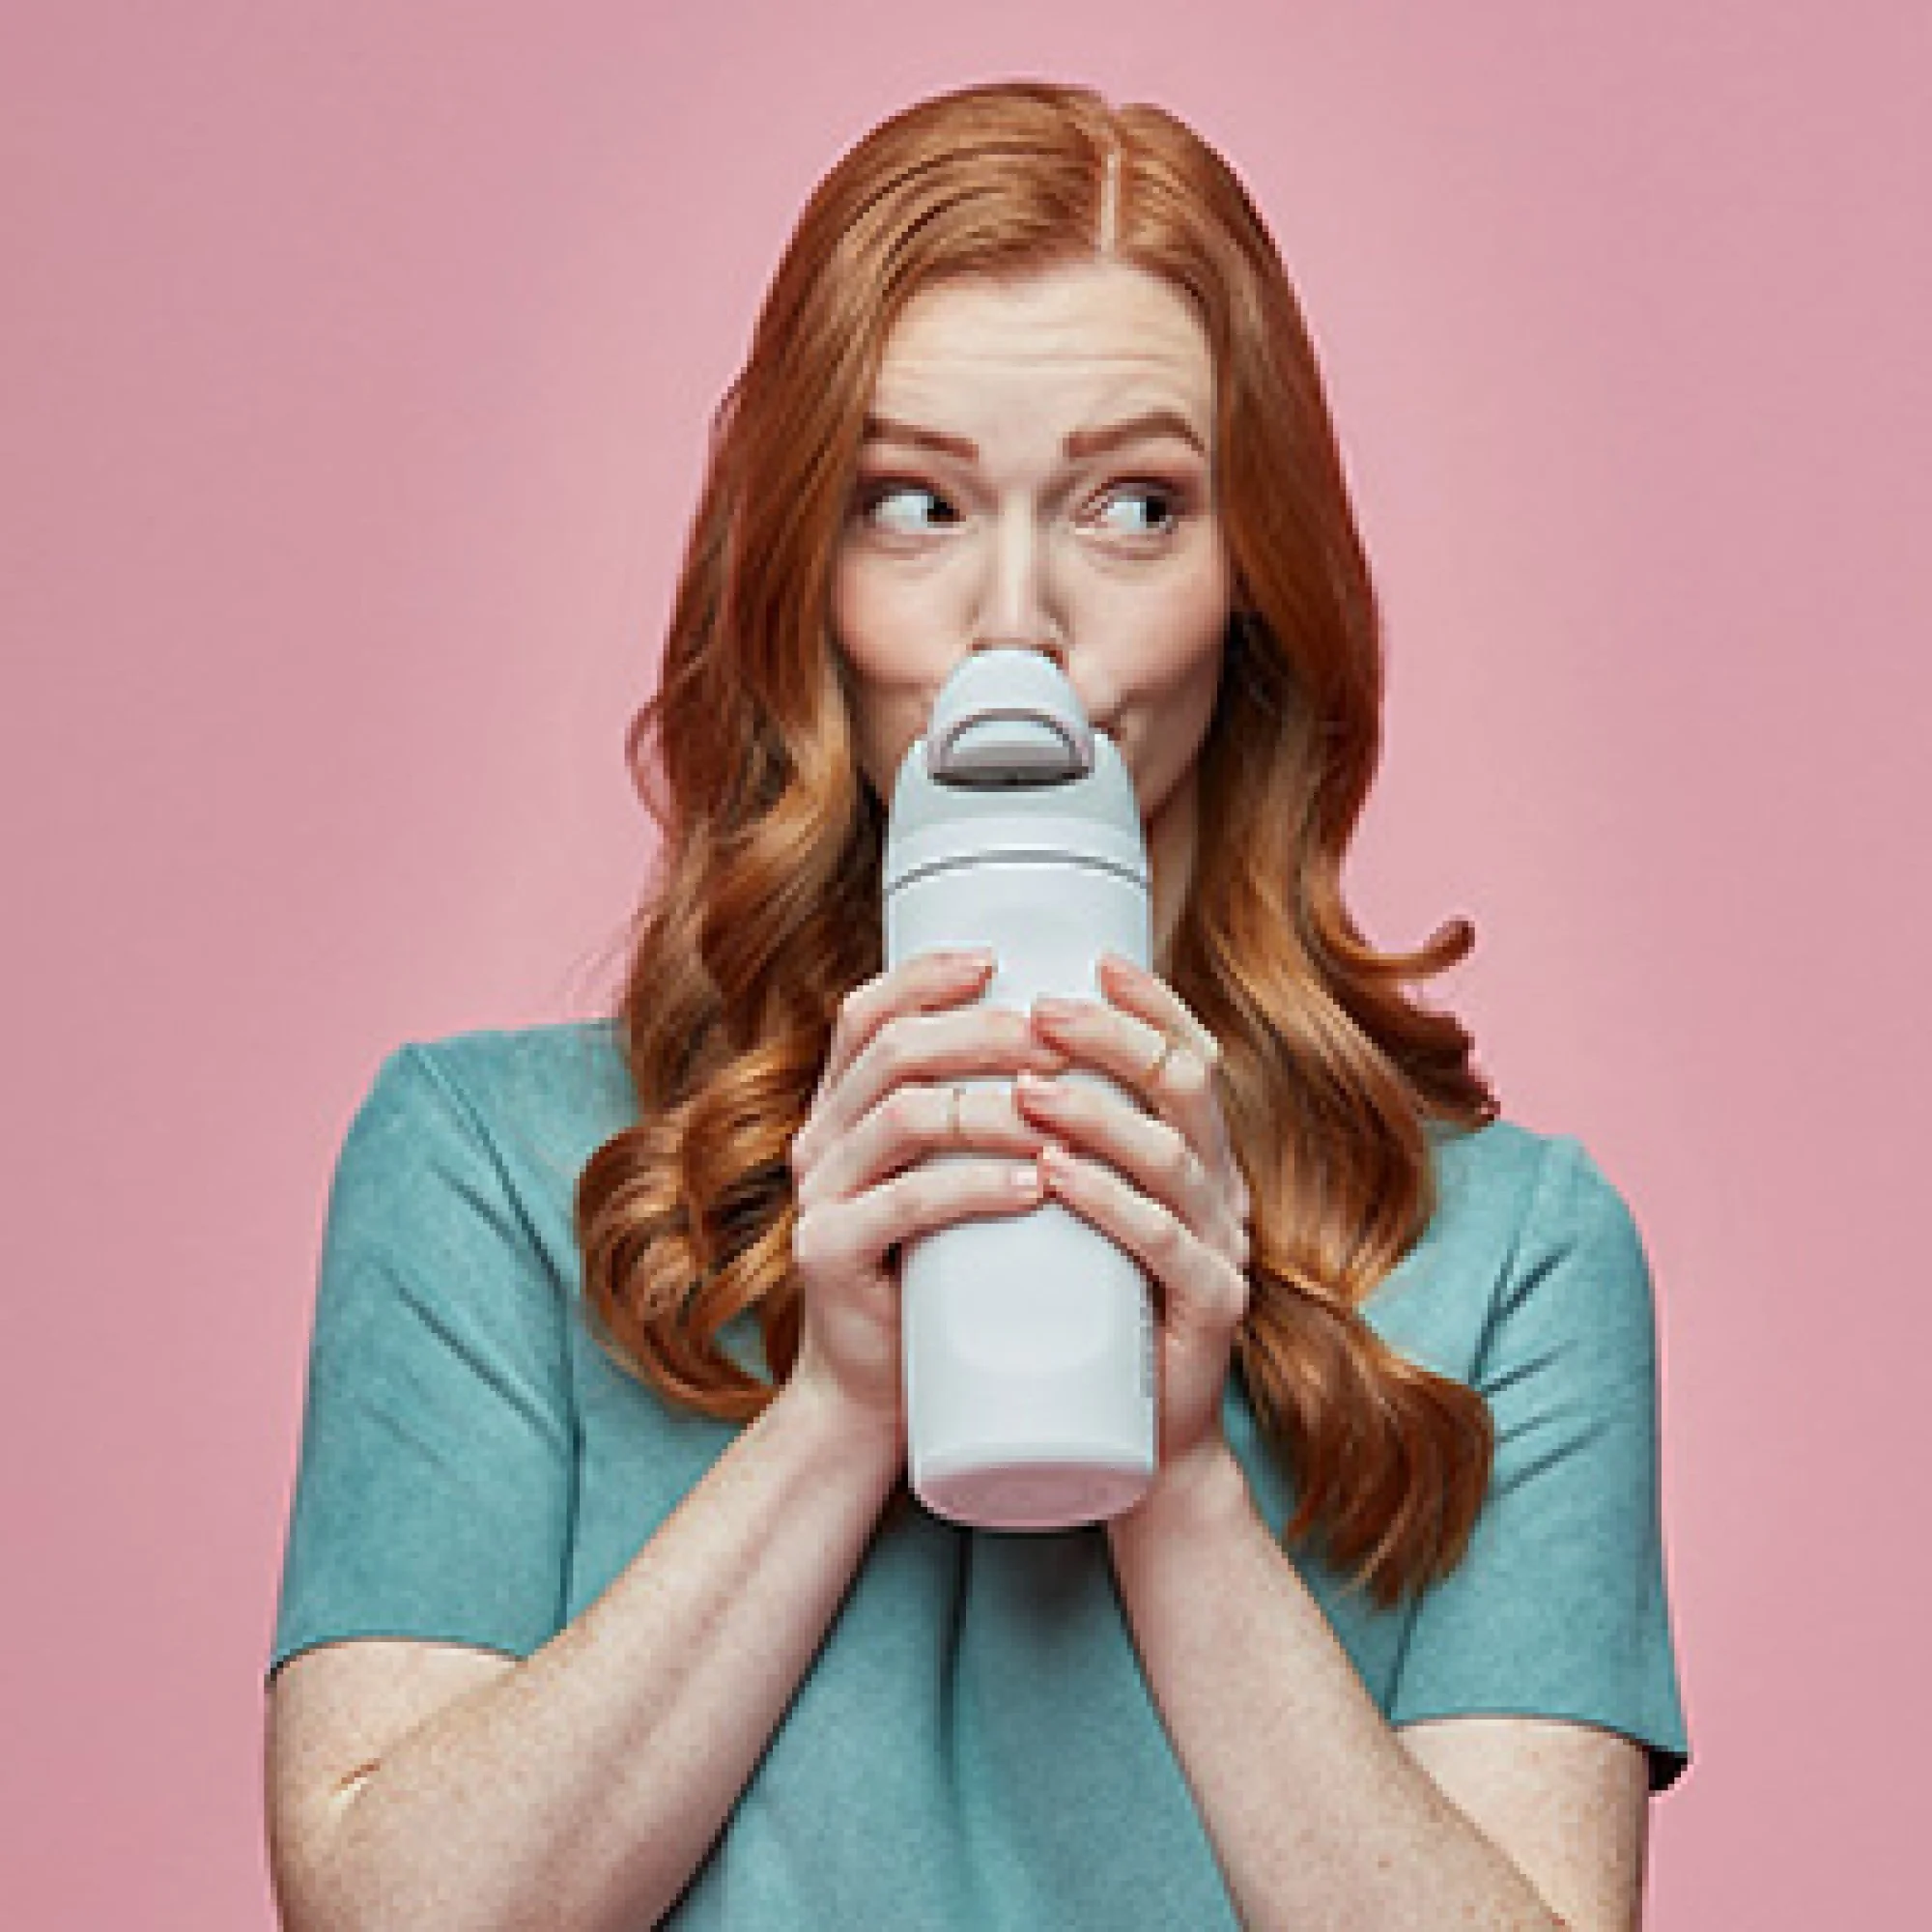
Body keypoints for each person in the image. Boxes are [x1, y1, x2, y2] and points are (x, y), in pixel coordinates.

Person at [263, 80, 1690, 1930]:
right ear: (801, 570)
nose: (1016, 623)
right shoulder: (492, 1174)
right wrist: (839, 1411)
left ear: (1253, 582)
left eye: (1135, 506)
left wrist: (1181, 1483)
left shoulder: (1512, 1262)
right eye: (913, 504)